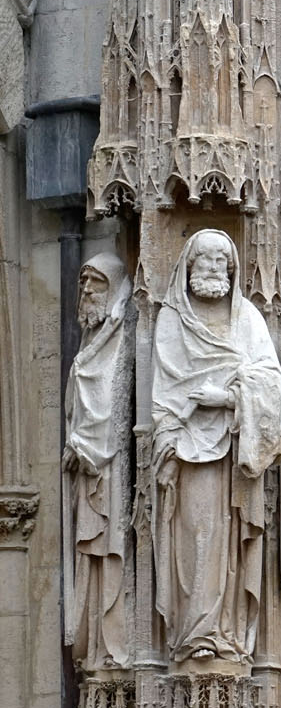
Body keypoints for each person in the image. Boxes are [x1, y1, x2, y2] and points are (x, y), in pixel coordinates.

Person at [152, 230, 281, 664]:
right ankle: (196, 634)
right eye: (203, 259)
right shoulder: (172, 319)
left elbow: (270, 383)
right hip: (188, 455)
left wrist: (227, 398)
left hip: (234, 449)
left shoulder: (246, 319)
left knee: (230, 542)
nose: (212, 267)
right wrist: (168, 447)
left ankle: (224, 633)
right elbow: (164, 393)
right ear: (188, 267)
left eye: (220, 260)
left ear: (232, 269)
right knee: (198, 535)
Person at [64, 254, 134, 670]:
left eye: (97, 282)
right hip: (87, 474)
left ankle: (114, 644)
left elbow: (117, 411)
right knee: (92, 557)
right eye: (83, 282)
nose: (87, 290)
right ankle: (97, 646)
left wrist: (85, 446)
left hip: (113, 474)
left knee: (112, 553)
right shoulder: (90, 347)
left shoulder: (125, 342)